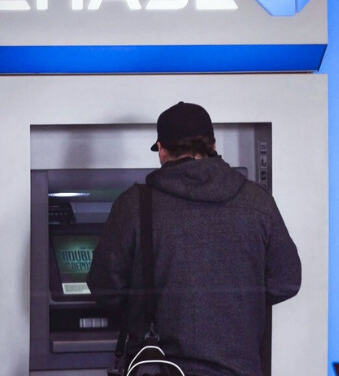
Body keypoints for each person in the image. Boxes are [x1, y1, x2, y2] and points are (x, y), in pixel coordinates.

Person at [87, 102, 301, 376]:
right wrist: (236, 301)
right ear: (213, 145)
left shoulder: (134, 206)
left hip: (159, 368)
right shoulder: (257, 202)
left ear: (162, 151)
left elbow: (105, 288)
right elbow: (286, 282)